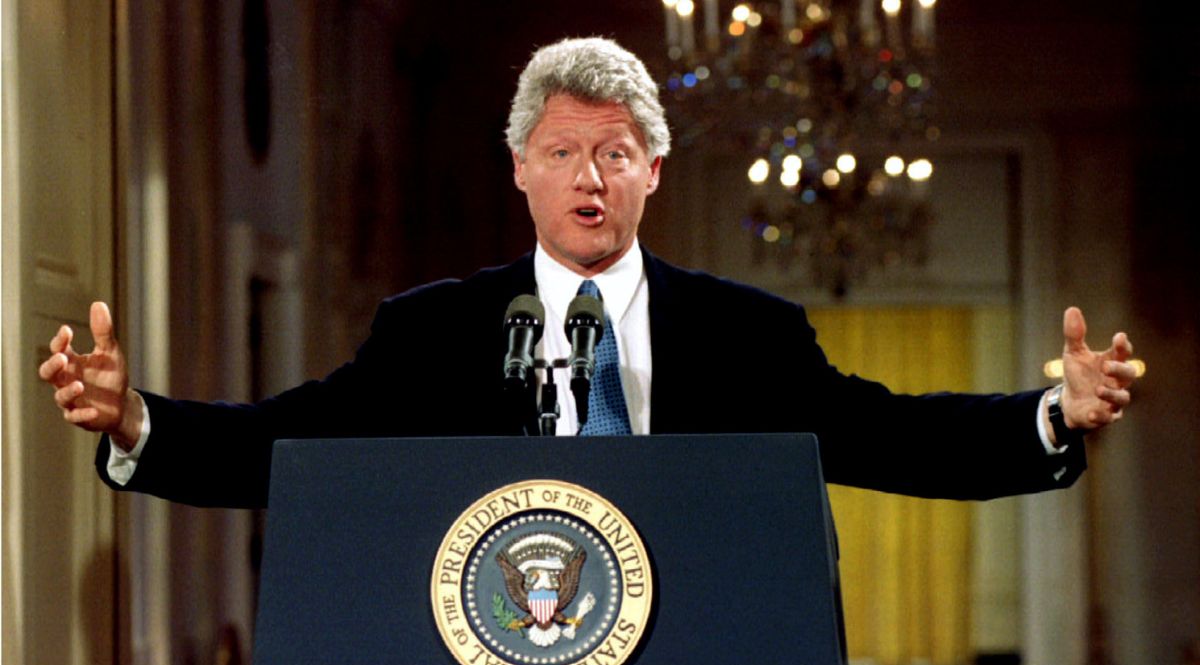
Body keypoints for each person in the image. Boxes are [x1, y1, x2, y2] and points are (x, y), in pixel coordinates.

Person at [38, 38, 1136, 509]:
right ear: (521, 170)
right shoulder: (431, 333)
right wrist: (139, 421)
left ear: (653, 170)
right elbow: (295, 444)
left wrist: (1051, 415)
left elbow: (890, 437)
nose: (589, 179)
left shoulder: (747, 334)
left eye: (614, 153)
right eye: (561, 153)